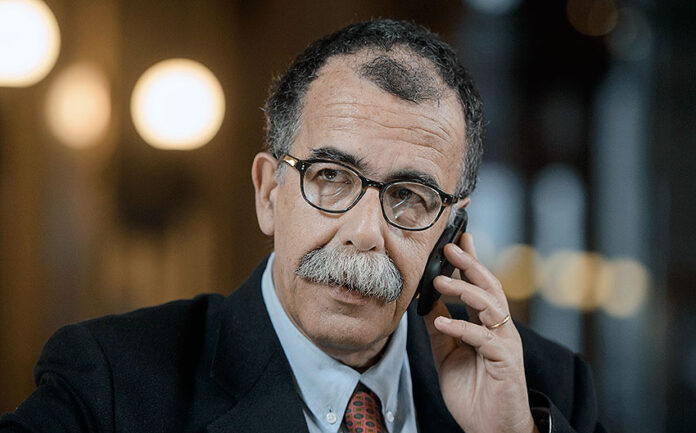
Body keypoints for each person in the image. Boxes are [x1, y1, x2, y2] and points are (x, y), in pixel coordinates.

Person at [0, 19, 605, 433]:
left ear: (450, 230)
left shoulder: (543, 390)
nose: (365, 232)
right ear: (269, 193)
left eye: (409, 196)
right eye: (331, 177)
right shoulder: (110, 383)